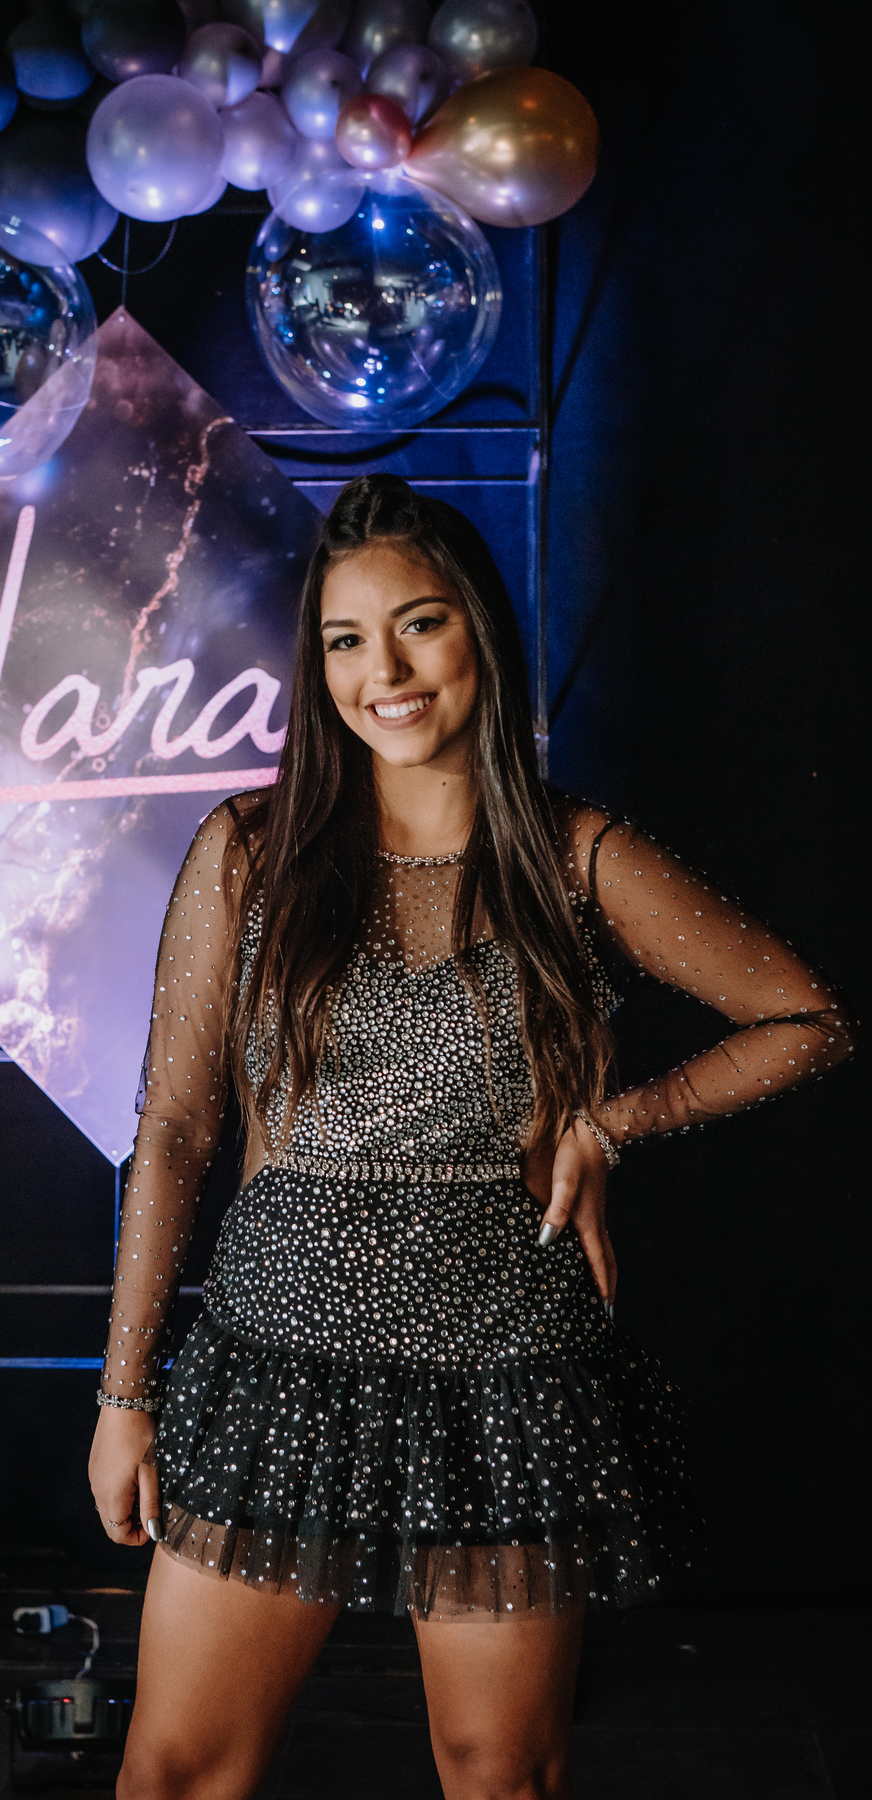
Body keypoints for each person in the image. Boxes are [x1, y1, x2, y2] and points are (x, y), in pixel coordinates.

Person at [89, 475, 854, 1800]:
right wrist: (123, 1395)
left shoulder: (573, 855)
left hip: (506, 1383)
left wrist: (614, 1122)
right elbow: (174, 1130)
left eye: (419, 625)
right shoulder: (250, 849)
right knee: (179, 1773)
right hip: (277, 1372)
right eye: (345, 640)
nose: (382, 674)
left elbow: (807, 1019)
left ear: (479, 635)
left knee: (499, 1776)